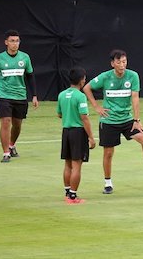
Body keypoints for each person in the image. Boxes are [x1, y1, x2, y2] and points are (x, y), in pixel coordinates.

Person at [83, 49, 143, 194]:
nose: (122, 65)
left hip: (128, 119)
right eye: (119, 62)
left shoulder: (133, 76)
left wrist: (136, 120)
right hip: (109, 121)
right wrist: (96, 107)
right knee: (108, 153)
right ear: (112, 64)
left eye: (124, 62)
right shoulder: (105, 77)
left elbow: (135, 98)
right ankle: (108, 183)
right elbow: (87, 88)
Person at [0, 29, 39, 163]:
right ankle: (6, 153)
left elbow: (30, 77)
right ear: (6, 42)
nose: (15, 44)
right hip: (4, 95)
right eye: (12, 41)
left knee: (17, 125)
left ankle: (11, 145)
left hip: (20, 96)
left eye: (17, 41)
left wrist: (34, 95)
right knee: (6, 122)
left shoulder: (25, 57)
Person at [57, 67, 96, 204]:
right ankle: (73, 196)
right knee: (77, 165)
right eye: (84, 78)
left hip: (66, 132)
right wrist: (91, 137)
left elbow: (59, 114)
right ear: (81, 80)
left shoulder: (61, 95)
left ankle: (67, 192)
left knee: (67, 164)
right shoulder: (80, 96)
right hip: (78, 133)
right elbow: (84, 117)